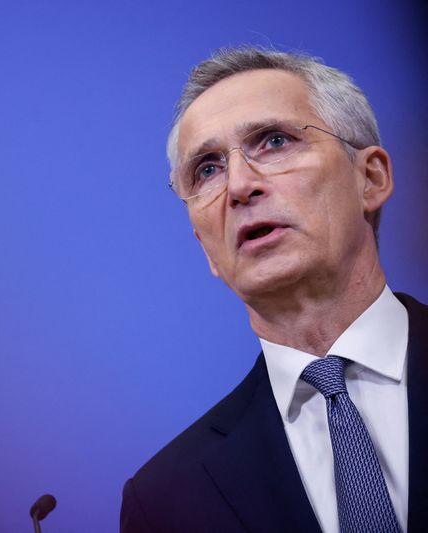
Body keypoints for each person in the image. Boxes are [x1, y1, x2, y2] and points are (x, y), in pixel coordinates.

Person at [120, 47, 427, 533]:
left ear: (370, 178)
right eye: (207, 169)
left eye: (275, 140)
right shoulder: (165, 500)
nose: (239, 186)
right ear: (205, 247)